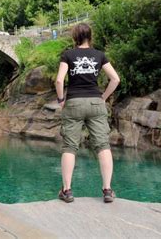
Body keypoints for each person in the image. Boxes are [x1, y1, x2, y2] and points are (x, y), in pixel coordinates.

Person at [55, 23, 120, 203]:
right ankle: (107, 190)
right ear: (90, 36)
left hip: (74, 102)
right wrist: (103, 97)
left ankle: (67, 191)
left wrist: (61, 101)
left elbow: (59, 81)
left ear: (74, 37)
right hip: (95, 102)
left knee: (70, 146)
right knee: (102, 145)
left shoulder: (68, 55)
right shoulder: (99, 55)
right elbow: (115, 79)